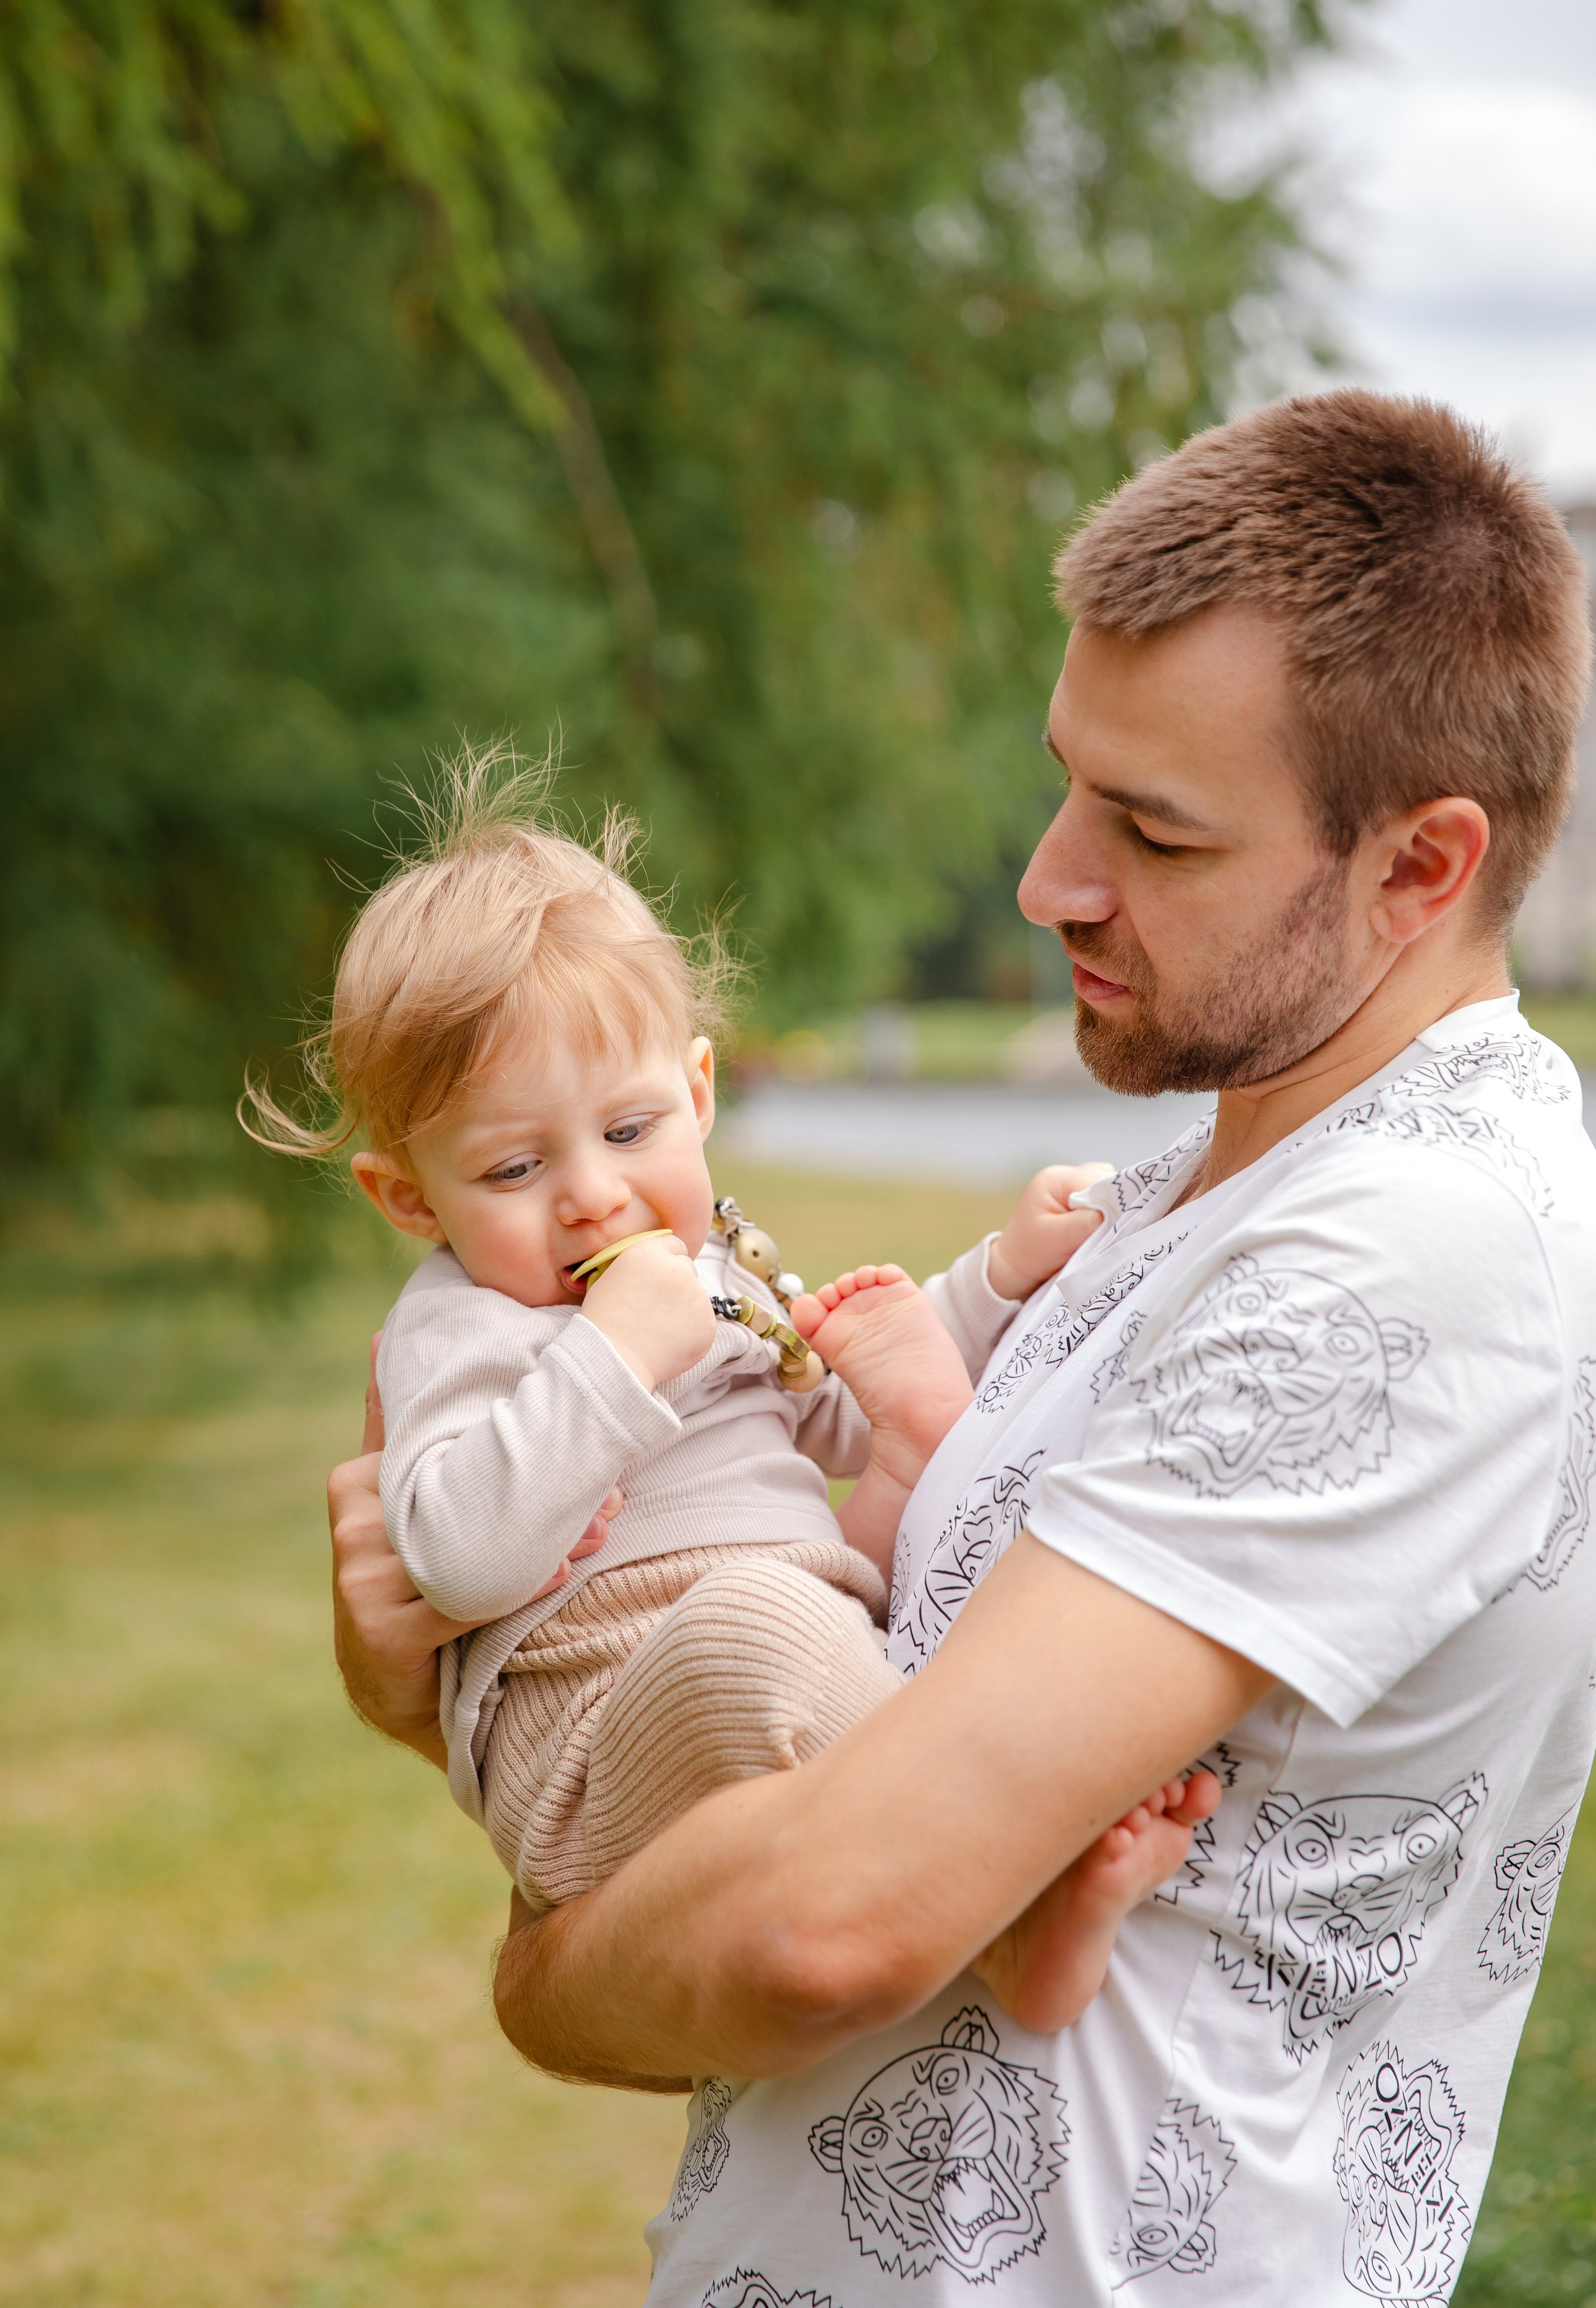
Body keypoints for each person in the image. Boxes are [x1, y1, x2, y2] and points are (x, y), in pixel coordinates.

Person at [329, 391, 1596, 2303]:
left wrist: (549, 1967)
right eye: (1070, 781)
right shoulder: (1196, 1185)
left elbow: (824, 1927)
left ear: (1420, 870)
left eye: (1153, 830)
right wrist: (418, 1659)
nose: (1047, 879)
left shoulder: (1409, 1248)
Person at [260, 765, 1205, 1992]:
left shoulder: (708, 1274)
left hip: (797, 1654)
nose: (593, 1195)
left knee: (927, 1574)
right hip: (590, 1741)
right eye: (512, 1171)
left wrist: (996, 1278)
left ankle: (1018, 1873)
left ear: (697, 1095)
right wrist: (616, 1355)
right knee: (762, 1625)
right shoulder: (462, 1325)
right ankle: (1009, 1915)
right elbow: (458, 1559)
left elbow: (837, 1407)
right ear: (409, 1198)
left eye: (628, 1131)